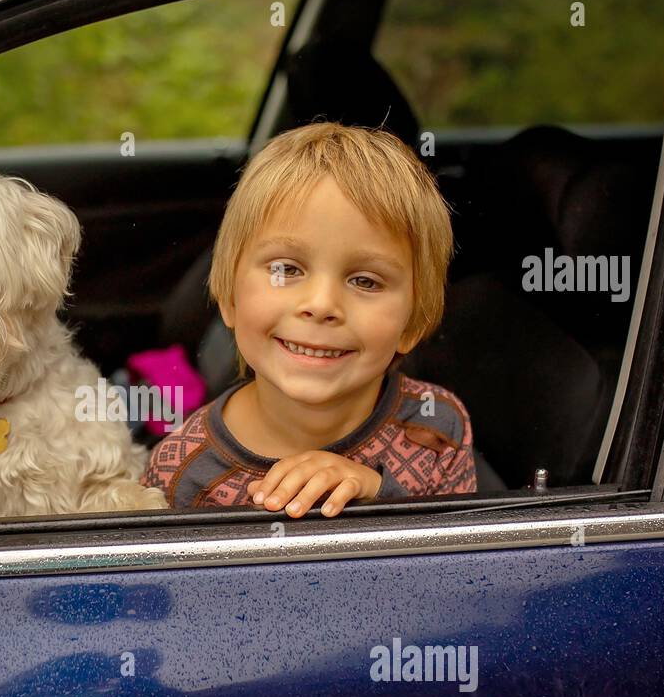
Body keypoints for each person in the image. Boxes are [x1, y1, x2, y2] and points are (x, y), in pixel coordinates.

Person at [142, 122, 476, 517]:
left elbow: (456, 568)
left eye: (365, 280)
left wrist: (378, 493)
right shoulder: (183, 473)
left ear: (412, 325)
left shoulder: (434, 426)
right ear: (229, 299)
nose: (320, 304)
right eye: (287, 269)